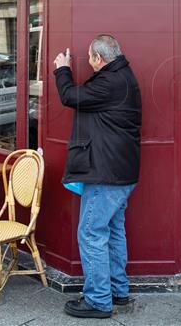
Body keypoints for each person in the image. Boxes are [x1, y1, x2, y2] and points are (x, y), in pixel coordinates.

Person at [53, 34, 142, 319]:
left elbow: (70, 96)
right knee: (113, 231)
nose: (89, 63)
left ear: (98, 59)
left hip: (106, 174)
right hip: (120, 172)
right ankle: (118, 290)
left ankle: (98, 300)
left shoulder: (110, 81)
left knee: (91, 233)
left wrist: (62, 69)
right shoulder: (123, 76)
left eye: (90, 58)